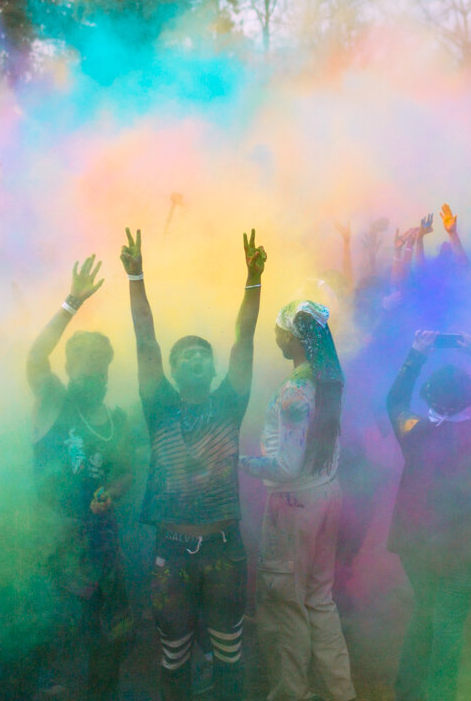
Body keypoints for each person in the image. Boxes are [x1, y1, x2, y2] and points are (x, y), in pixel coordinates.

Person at [120, 227, 266, 701]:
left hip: (225, 550)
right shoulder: (159, 404)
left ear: (214, 367)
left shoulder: (230, 402)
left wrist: (254, 280)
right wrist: (136, 275)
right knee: (174, 653)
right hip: (172, 551)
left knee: (229, 652)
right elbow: (146, 339)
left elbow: (245, 337)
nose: (198, 359)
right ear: (175, 369)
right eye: (187, 355)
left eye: (204, 354)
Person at [26, 255, 136, 701]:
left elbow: (126, 472)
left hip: (101, 540)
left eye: (101, 367)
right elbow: (36, 356)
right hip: (54, 539)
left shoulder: (116, 418)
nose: (95, 374)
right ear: (70, 371)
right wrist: (71, 303)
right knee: (54, 633)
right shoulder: (54, 400)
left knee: (109, 634)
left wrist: (111, 492)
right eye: (85, 366)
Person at [386, 331, 471, 701]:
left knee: (426, 610)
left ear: (427, 395)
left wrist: (416, 354)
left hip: (418, 546)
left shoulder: (415, 432)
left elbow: (394, 399)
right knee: (449, 622)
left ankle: (407, 691)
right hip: (468, 549)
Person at [241, 300, 356, 701]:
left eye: (278, 330)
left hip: (293, 506)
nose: (275, 337)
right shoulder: (328, 381)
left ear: (293, 338)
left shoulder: (295, 391)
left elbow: (286, 466)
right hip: (327, 495)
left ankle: (293, 694)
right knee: (319, 600)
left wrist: (240, 462)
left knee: (283, 606)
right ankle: (342, 693)